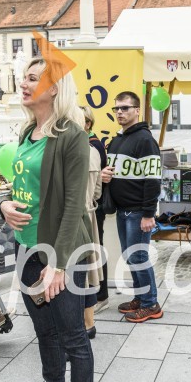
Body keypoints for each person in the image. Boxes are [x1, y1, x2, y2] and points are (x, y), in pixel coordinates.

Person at [0, 57, 96, 382]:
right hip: (27, 249)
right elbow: (19, 186)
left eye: (33, 78)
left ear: (55, 88)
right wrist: (4, 205)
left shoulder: (71, 136)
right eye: (23, 77)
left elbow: (75, 203)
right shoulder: (26, 132)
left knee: (74, 337)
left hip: (61, 251)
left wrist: (56, 264)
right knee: (44, 335)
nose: (23, 83)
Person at [101, 91, 163, 322]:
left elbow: (153, 179)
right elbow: (117, 172)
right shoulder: (118, 139)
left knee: (138, 257)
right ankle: (141, 297)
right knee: (131, 257)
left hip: (138, 211)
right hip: (123, 210)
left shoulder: (145, 140)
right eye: (116, 108)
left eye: (125, 108)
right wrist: (105, 175)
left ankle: (151, 304)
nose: (120, 112)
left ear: (137, 110)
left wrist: (148, 214)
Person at [82, 105, 109, 324]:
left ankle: (97, 301)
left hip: (80, 216)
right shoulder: (94, 148)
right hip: (90, 211)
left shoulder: (91, 147)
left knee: (82, 265)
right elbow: (98, 189)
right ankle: (89, 319)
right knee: (90, 263)